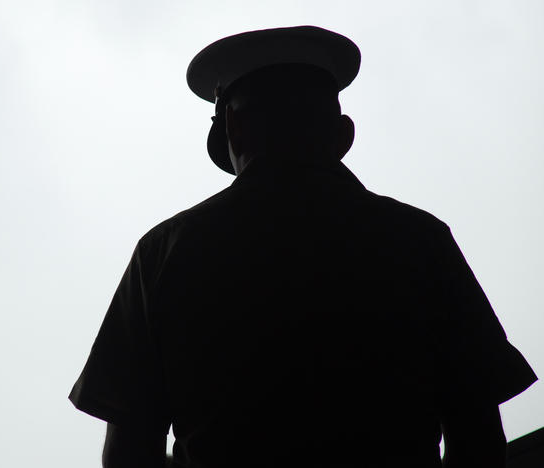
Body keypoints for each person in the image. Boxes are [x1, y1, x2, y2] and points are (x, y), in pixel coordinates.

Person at [68, 26, 538, 468]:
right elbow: (476, 431)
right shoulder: (419, 238)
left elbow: (130, 444)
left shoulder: (165, 252)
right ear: (343, 134)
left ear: (231, 128)